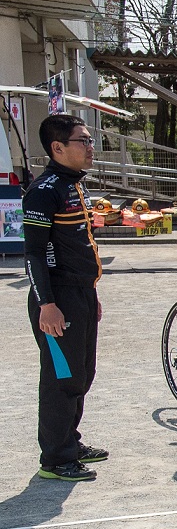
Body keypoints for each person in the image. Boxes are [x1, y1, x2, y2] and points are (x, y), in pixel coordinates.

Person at [24, 114, 105, 481]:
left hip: (81, 294)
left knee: (82, 373)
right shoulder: (44, 191)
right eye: (82, 141)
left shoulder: (75, 185)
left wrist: (91, 294)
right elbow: (34, 254)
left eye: (89, 140)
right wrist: (47, 304)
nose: (90, 147)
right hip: (56, 299)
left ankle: (70, 440)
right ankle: (56, 459)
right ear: (57, 147)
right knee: (61, 378)